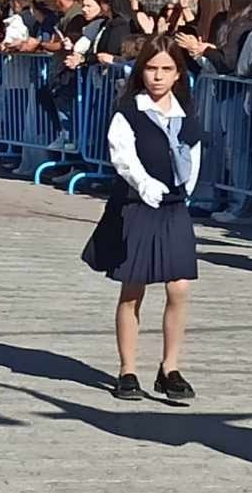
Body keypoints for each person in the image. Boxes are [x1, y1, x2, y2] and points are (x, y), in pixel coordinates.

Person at [83, 40, 201, 403]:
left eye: (166, 69)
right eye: (152, 69)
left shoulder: (185, 113)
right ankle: (127, 369)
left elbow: (193, 151)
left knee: (179, 287)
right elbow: (122, 155)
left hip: (174, 205)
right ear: (141, 71)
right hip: (136, 204)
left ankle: (170, 367)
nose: (158, 77)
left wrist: (186, 187)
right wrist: (144, 183)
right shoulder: (129, 110)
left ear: (178, 73)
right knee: (133, 288)